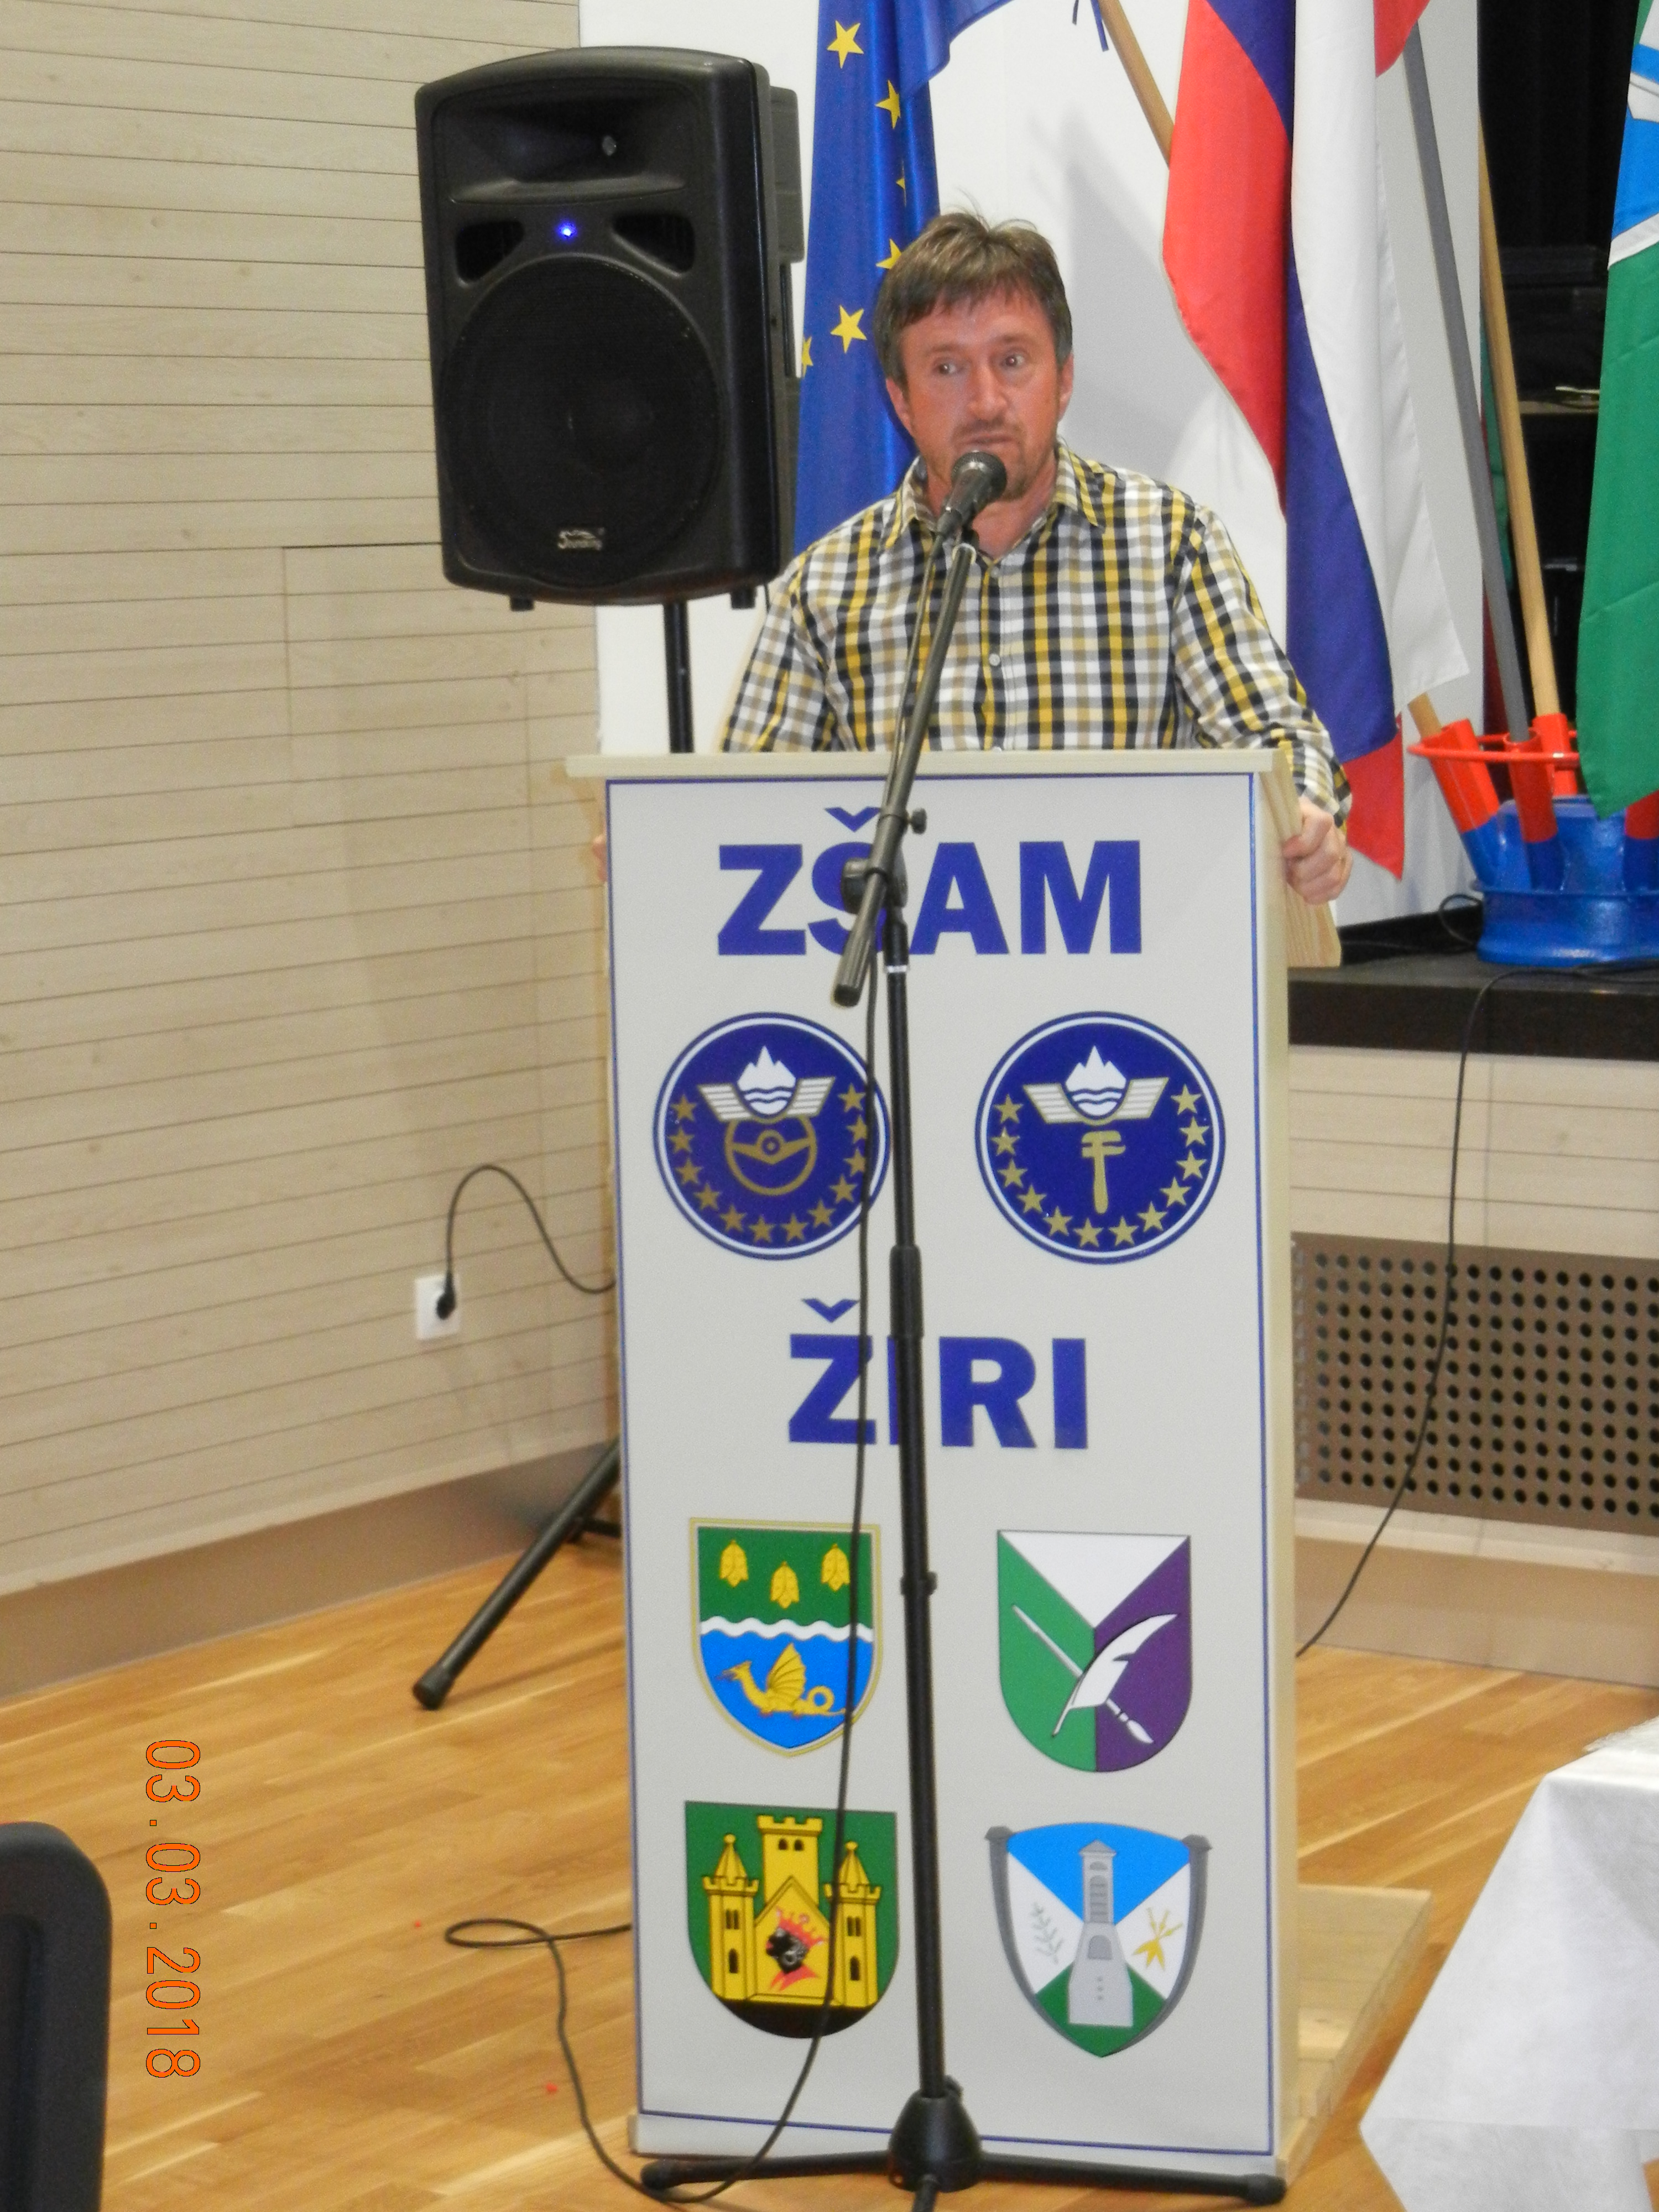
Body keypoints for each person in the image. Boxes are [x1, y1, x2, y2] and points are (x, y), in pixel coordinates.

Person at [717, 211, 1351, 905]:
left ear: (1064, 379)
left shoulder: (1170, 543)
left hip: (1129, 949)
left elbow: (1277, 740)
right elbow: (745, 813)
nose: (986, 401)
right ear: (901, 401)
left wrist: (1306, 817)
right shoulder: (827, 586)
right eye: (947, 368)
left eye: (1013, 361)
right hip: (913, 965)